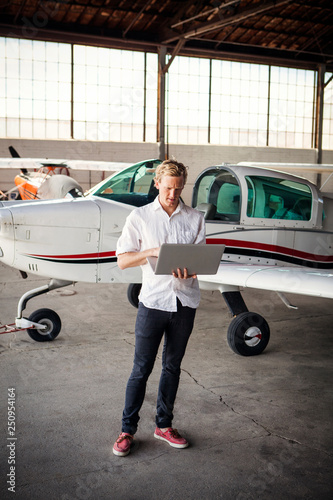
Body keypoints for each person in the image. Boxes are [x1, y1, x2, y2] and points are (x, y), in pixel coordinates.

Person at [113, 158, 206, 457]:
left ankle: (163, 425)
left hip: (184, 302)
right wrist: (150, 252)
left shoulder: (195, 218)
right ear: (157, 184)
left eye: (178, 189)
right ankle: (127, 430)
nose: (172, 195)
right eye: (168, 188)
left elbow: (202, 260)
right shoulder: (139, 217)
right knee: (141, 369)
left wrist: (192, 270)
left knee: (172, 367)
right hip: (152, 303)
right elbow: (123, 260)